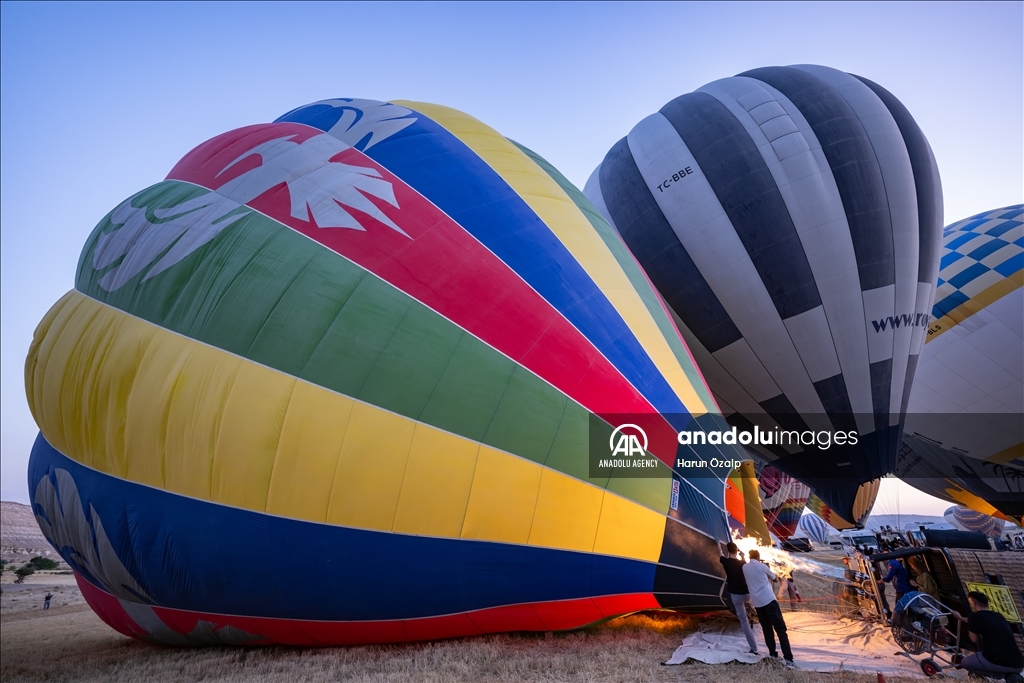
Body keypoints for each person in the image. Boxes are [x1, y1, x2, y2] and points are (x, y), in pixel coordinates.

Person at [950, 591, 1024, 680]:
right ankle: (1012, 675)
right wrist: (960, 618)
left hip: (997, 660)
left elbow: (974, 639)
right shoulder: (998, 616)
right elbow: (981, 621)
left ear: (973, 602)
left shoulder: (974, 617)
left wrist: (971, 626)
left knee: (965, 662)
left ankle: (1005, 676)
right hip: (1018, 663)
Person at [742, 549, 794, 666]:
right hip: (769, 601)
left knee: (767, 629)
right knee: (781, 630)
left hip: (758, 604)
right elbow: (775, 579)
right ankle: (788, 658)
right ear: (759, 556)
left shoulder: (744, 567)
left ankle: (772, 653)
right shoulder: (762, 567)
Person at [720, 542, 759, 655]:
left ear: (728, 551)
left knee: (744, 622)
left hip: (736, 596)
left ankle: (753, 648)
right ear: (737, 550)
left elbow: (720, 553)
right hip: (747, 594)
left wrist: (718, 543)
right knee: (753, 605)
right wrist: (742, 555)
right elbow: (745, 564)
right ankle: (755, 612)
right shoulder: (743, 563)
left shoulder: (726, 562)